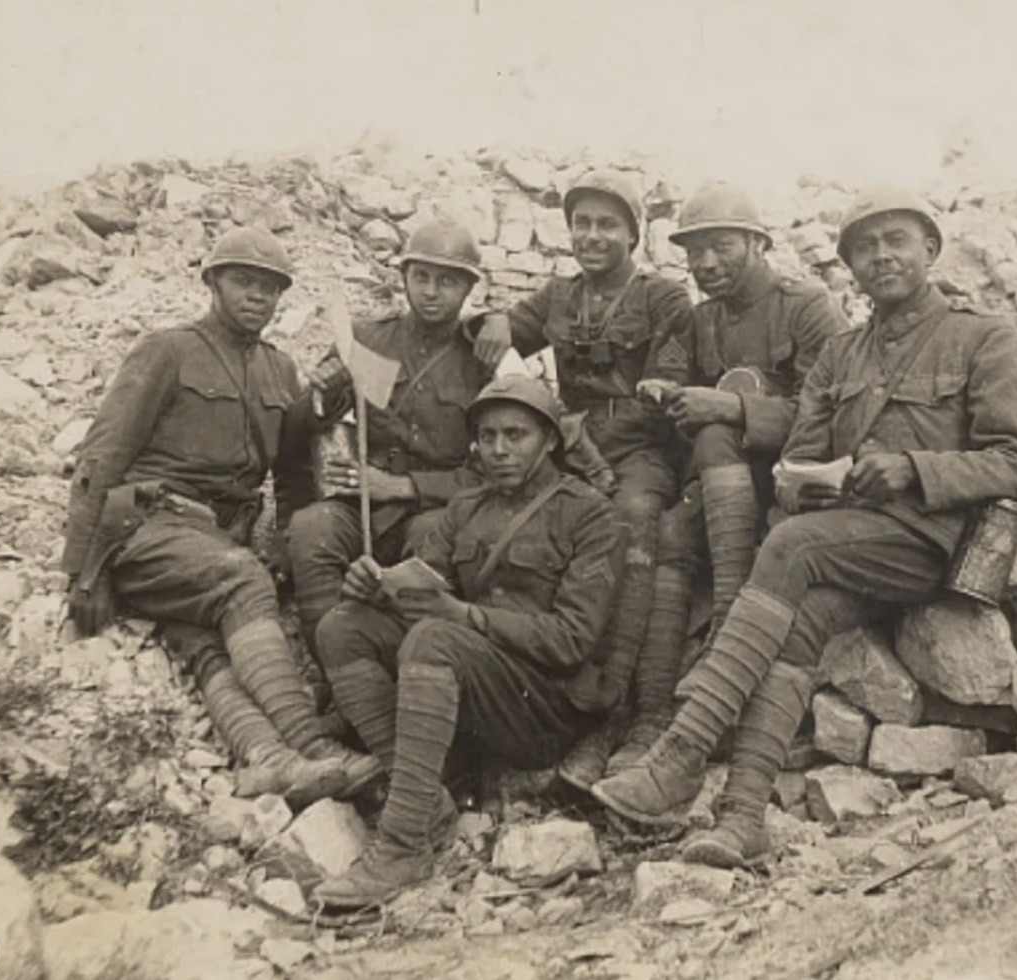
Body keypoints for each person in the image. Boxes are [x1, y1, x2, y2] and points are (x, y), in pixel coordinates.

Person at [591, 187, 1017, 868]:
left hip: (925, 543)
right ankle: (743, 817)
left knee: (790, 546)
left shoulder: (981, 337)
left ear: (930, 249)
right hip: (844, 540)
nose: (881, 256)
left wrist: (914, 469)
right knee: (799, 620)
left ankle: (680, 756)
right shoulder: (842, 354)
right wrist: (807, 480)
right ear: (851, 267)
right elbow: (800, 452)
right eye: (865, 247)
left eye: (896, 240)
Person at [62, 226, 375, 803]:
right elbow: (103, 456)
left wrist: (286, 539)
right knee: (240, 580)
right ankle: (317, 746)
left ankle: (271, 760)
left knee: (209, 642)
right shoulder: (169, 350)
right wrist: (86, 570)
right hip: (147, 528)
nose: (257, 297)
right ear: (213, 283)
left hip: (210, 543)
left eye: (270, 288)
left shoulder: (280, 371)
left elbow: (293, 474)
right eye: (243, 282)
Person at [311, 376, 627, 908]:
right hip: (476, 685)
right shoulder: (466, 508)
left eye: (515, 435)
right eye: (486, 437)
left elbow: (573, 640)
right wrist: (376, 588)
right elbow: (424, 586)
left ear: (550, 440)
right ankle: (426, 802)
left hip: (545, 708)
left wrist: (465, 616)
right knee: (342, 627)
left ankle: (404, 845)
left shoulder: (590, 514)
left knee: (435, 639)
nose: (499, 449)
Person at [603, 183, 844, 775]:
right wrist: (662, 391)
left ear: (758, 242)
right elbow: (669, 374)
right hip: (718, 483)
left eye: (722, 247)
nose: (706, 264)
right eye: (694, 252)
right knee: (671, 539)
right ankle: (654, 715)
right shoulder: (701, 318)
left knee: (713, 434)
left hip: (796, 479)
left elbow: (832, 413)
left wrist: (733, 410)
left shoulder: (807, 306)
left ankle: (726, 633)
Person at [472, 169, 696, 791]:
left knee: (629, 528)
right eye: (582, 224)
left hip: (638, 454)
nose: (592, 236)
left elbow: (665, 394)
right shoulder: (556, 298)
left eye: (607, 225)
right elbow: (501, 335)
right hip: (569, 451)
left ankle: (627, 710)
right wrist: (491, 317)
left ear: (634, 234)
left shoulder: (664, 299)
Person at [275, 220, 494, 658]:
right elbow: (298, 431)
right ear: (404, 278)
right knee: (312, 528)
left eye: (447, 281)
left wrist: (406, 487)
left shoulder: (480, 357)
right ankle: (334, 670)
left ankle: (405, 668)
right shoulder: (366, 337)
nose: (431, 291)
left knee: (434, 545)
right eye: (421, 277)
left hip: (435, 508)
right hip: (360, 503)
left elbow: (498, 465)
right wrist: (322, 394)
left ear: (469, 288)